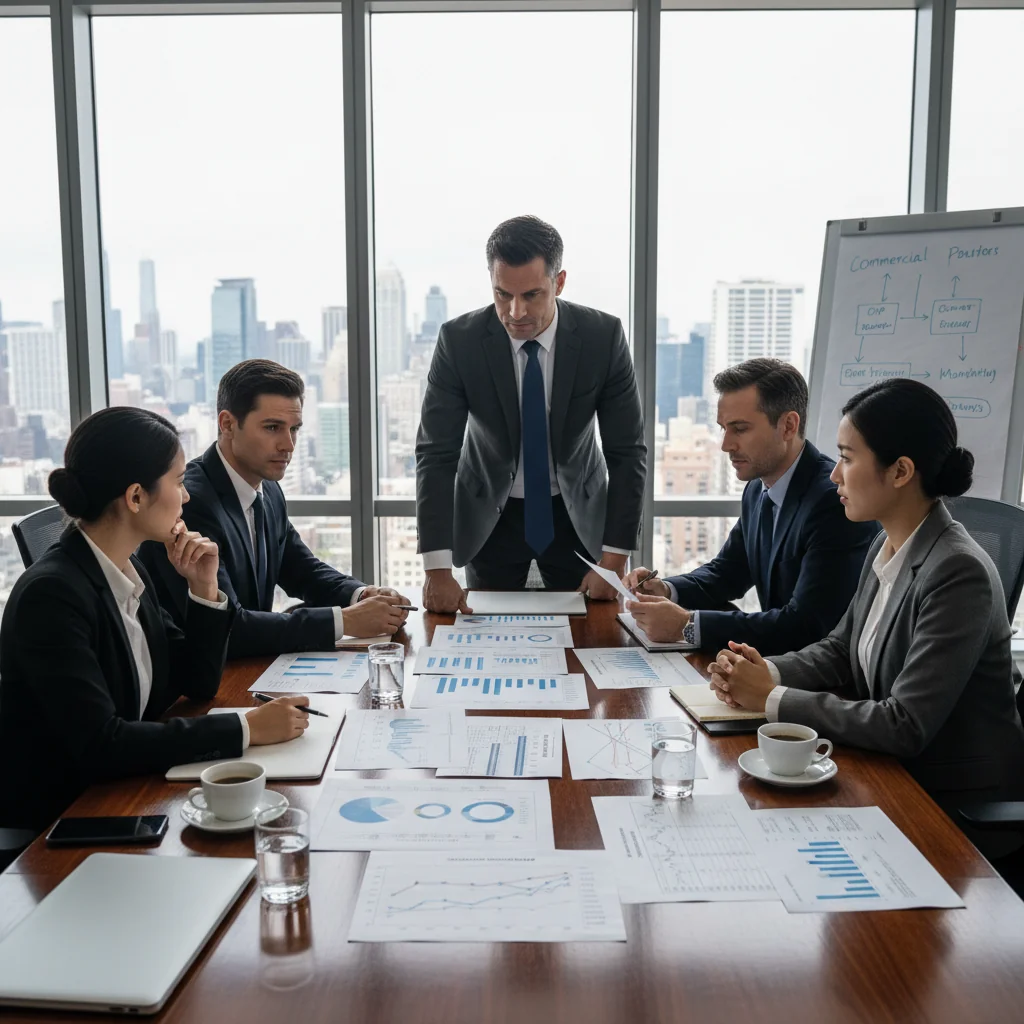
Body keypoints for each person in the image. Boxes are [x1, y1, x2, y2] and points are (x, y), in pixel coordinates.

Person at [708, 378, 1024, 805]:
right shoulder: (887, 541)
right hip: (885, 770)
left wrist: (773, 697)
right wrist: (765, 671)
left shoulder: (957, 572)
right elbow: (841, 649)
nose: (834, 473)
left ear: (900, 471)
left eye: (847, 458)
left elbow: (905, 724)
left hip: (948, 803)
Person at [0, 408, 311, 834]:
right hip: (67, 822)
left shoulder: (128, 569)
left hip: (124, 790)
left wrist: (203, 590)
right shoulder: (52, 596)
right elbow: (102, 745)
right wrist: (245, 727)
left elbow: (195, 681)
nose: (186, 497)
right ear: (134, 497)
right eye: (179, 482)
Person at [416, 215, 647, 613]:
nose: (515, 311)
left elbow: (628, 452)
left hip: (576, 518)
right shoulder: (460, 341)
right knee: (489, 649)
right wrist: (436, 569)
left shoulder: (602, 337)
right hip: (491, 520)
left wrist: (614, 560)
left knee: (589, 641)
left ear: (559, 282)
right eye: (502, 294)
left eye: (532, 295)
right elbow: (436, 455)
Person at [140, 360, 410, 657]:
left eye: (294, 429)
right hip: (192, 683)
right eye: (272, 428)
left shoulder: (267, 486)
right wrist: (346, 620)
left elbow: (300, 569)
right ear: (227, 424)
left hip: (251, 669)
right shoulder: (190, 504)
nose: (288, 445)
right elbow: (230, 627)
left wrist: (362, 594)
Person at [623, 358, 879, 655]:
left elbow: (807, 626)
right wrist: (666, 590)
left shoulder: (833, 502)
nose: (725, 445)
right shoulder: (758, 489)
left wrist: (687, 625)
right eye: (723, 429)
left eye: (740, 429)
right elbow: (727, 573)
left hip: (821, 680)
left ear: (788, 426)